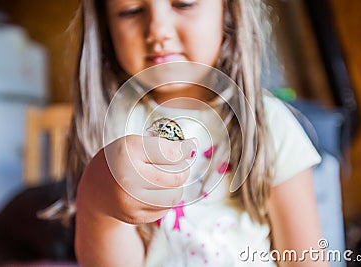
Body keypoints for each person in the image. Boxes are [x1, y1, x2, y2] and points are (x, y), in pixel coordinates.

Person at [67, 0, 329, 266]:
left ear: (228, 11)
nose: (158, 30)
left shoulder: (271, 125)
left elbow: (305, 258)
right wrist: (97, 204)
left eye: (184, 3)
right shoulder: (109, 128)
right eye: (131, 10)